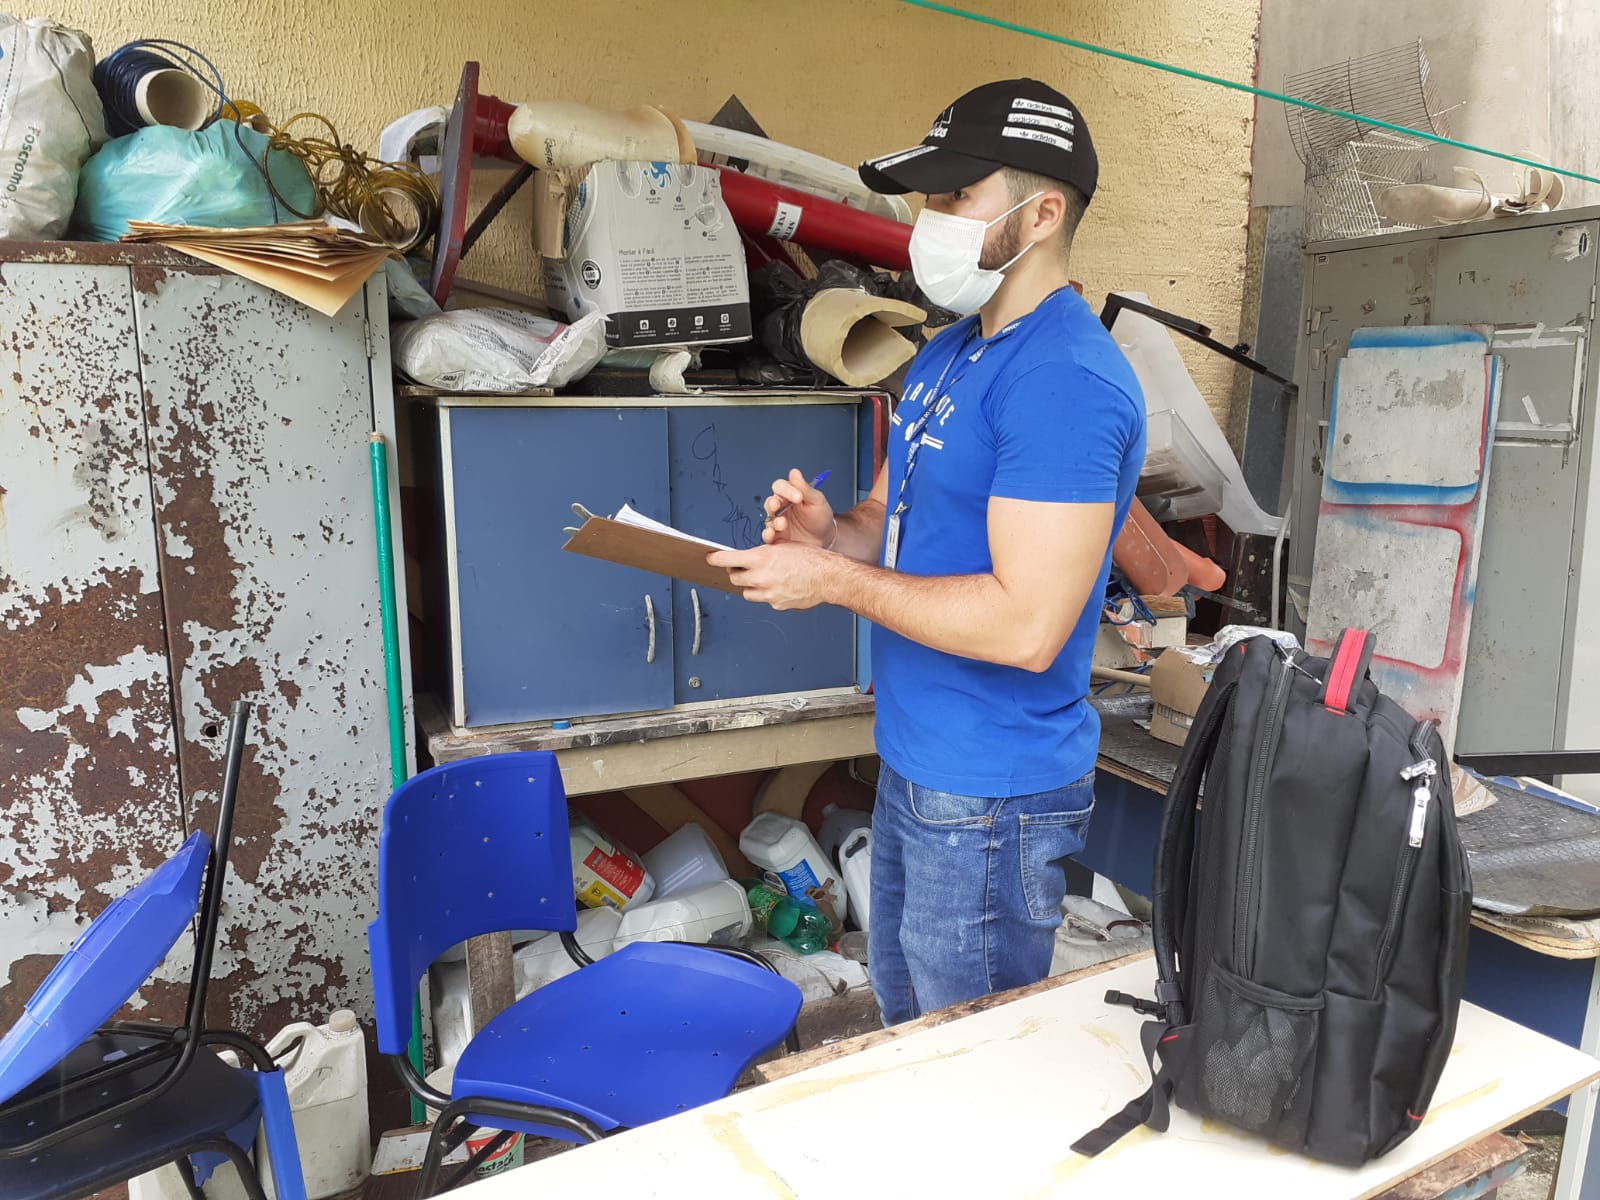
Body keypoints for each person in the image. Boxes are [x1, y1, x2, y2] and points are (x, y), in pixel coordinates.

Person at [707, 79, 1147, 1024]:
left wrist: (830, 578)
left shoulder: (1064, 382)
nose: (927, 219)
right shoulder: (949, 354)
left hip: (992, 791)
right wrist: (832, 533)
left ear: (1043, 213)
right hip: (916, 758)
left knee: (966, 1059)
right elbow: (888, 514)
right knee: (909, 1027)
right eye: (929, 196)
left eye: (956, 195)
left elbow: (1027, 626)